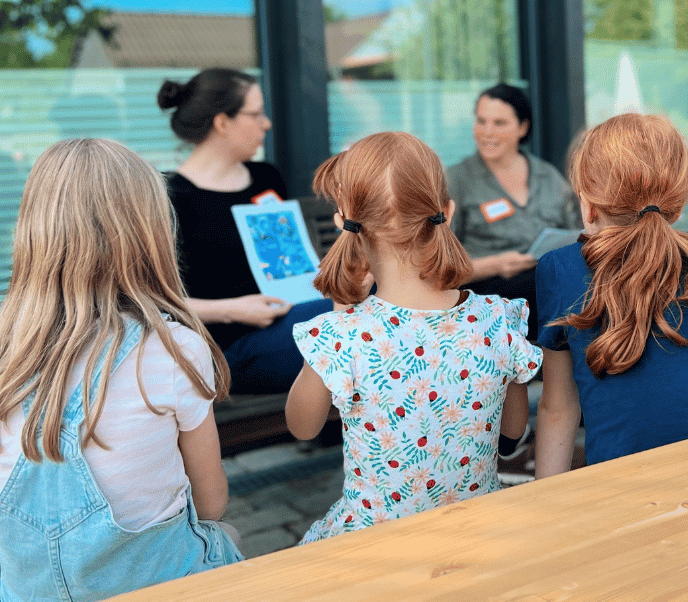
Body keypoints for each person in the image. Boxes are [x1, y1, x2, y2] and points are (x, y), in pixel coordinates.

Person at [0, 139, 241, 601]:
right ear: (147, 232)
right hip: (159, 585)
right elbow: (212, 503)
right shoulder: (174, 349)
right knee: (228, 538)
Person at [285, 132, 541, 542]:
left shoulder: (341, 335)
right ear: (447, 211)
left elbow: (302, 427)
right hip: (477, 534)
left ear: (343, 222)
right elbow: (512, 432)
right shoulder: (498, 319)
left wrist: (337, 319)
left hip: (375, 545)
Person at [534, 114, 688, 478]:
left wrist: (546, 510)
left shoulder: (559, 268)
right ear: (679, 198)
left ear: (589, 203)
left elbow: (559, 407)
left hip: (622, 485)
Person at [158, 68, 333, 395]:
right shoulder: (169, 196)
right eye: (256, 114)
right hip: (229, 348)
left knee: (379, 289)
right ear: (222, 123)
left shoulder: (266, 177)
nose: (266, 124)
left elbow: (289, 259)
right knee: (347, 317)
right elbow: (151, 300)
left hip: (297, 317)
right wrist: (231, 310)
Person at [446, 84, 580, 342]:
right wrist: (497, 264)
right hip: (485, 293)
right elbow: (437, 265)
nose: (487, 132)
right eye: (481, 121)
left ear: (523, 128)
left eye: (499, 123)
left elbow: (576, 233)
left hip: (545, 285)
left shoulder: (548, 176)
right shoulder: (457, 180)